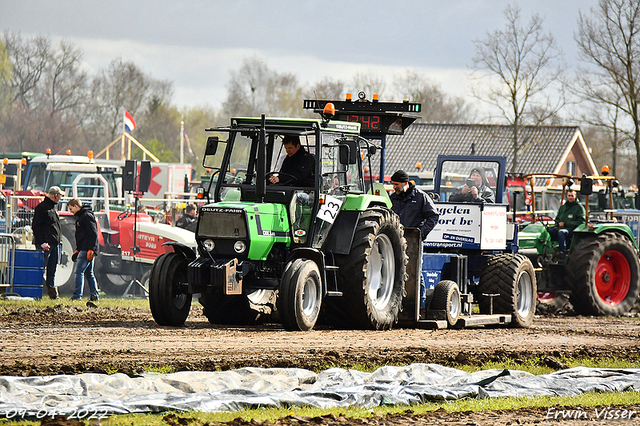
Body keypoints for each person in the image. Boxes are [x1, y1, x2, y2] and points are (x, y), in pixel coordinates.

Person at [389, 170, 439, 312]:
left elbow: (433, 217)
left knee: (415, 272)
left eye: (396, 184)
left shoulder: (420, 197)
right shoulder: (393, 198)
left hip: (413, 240)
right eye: (393, 184)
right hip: (396, 240)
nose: (394, 187)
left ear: (405, 183)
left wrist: (420, 234)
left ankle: (420, 307)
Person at [32, 186, 63, 299]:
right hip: (46, 245)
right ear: (55, 196)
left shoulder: (53, 208)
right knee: (41, 268)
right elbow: (36, 226)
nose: (60, 198)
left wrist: (59, 239)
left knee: (52, 269)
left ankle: (52, 293)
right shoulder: (42, 208)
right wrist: (42, 242)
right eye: (60, 195)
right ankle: (36, 292)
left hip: (54, 244)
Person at [68, 198, 99, 302]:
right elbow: (83, 235)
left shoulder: (85, 216)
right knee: (89, 273)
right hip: (84, 249)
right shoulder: (82, 216)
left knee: (79, 272)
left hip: (86, 249)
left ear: (76, 206)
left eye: (71, 208)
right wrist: (78, 249)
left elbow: (93, 233)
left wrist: (91, 249)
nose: (70, 211)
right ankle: (94, 295)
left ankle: (77, 296)